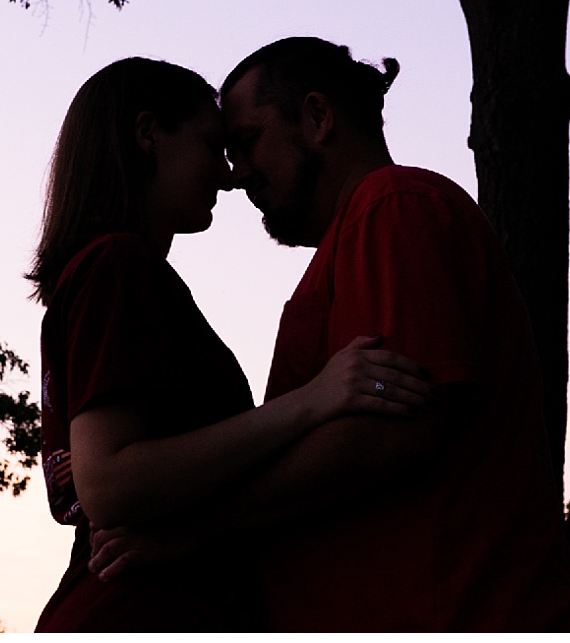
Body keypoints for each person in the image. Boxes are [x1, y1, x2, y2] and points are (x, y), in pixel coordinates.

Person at [26, 56, 431, 632]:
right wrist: (310, 401)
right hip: (139, 611)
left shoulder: (107, 274)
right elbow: (109, 484)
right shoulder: (117, 265)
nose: (229, 176)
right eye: (214, 146)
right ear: (147, 134)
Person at [205, 36, 570, 631]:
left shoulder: (394, 206)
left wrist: (195, 522)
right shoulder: (360, 232)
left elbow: (391, 432)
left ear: (317, 116)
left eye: (247, 142)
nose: (236, 176)